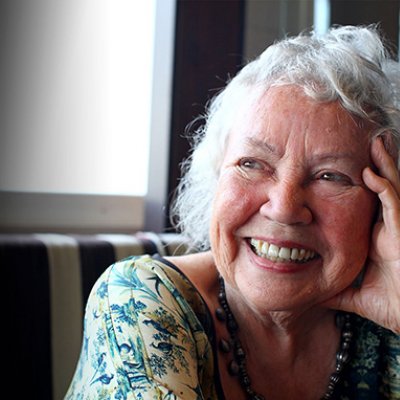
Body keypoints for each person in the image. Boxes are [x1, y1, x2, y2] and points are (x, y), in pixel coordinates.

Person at [65, 25, 400, 399]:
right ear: (215, 178)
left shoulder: (388, 314)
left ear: (384, 212)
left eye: (330, 176)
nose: (285, 208)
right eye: (252, 164)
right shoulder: (141, 300)